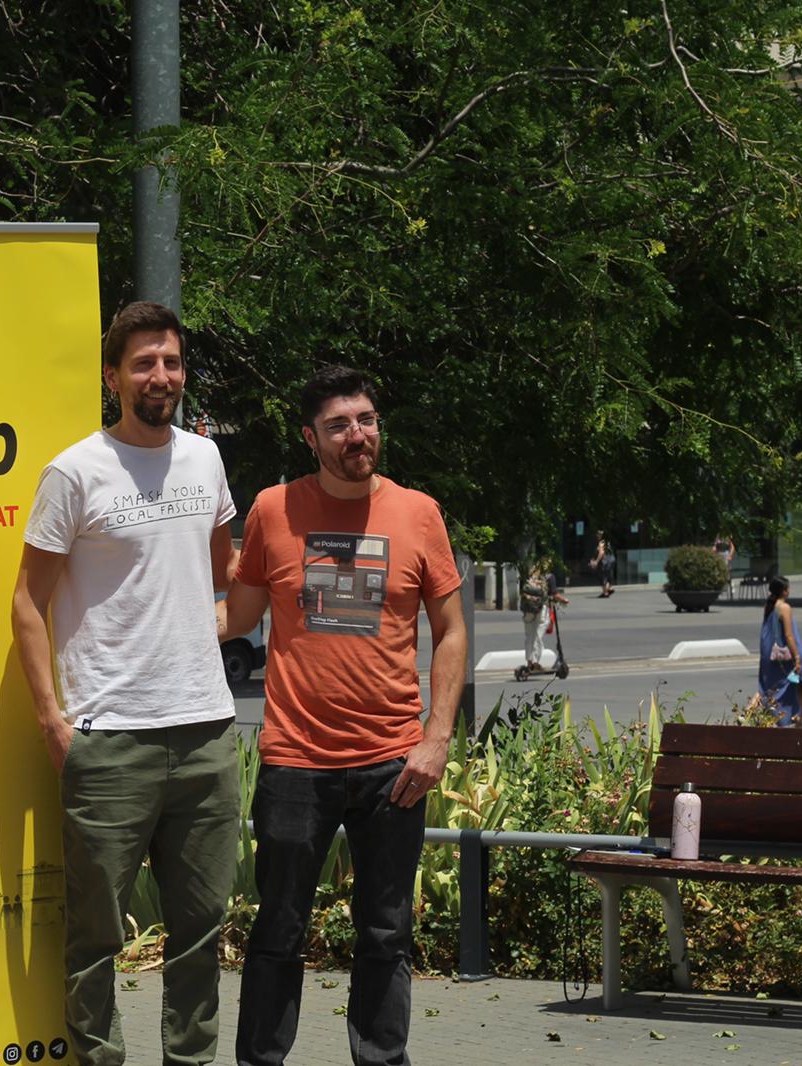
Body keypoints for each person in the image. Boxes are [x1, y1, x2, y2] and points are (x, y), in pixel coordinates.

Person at [11, 301, 239, 1066]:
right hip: (108, 739)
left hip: (207, 732)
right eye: (144, 363)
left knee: (202, 932)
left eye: (171, 362)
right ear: (113, 376)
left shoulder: (205, 459)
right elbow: (26, 603)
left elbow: (221, 572)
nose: (161, 376)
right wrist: (53, 720)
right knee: (95, 937)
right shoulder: (75, 472)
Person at [220, 365, 467, 1066]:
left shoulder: (418, 512)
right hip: (296, 761)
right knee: (278, 929)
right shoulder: (272, 510)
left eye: (365, 420)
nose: (357, 435)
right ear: (311, 438)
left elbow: (451, 631)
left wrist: (436, 738)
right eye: (339, 425)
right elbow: (237, 617)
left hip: (394, 763)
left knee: (386, 934)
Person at [759, 576, 802, 727]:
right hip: (786, 657)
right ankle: (798, 719)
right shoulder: (784, 608)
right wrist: (797, 657)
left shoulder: (769, 606)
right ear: (783, 591)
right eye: (787, 588)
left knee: (768, 688)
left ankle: (747, 712)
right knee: (797, 685)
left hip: (771, 655)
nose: (789, 591)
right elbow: (789, 635)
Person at [520, 557, 569, 673]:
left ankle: (529, 662)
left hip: (528, 609)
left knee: (529, 636)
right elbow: (554, 594)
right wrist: (564, 600)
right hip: (541, 609)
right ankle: (535, 662)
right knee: (538, 635)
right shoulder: (549, 577)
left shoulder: (529, 576)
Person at [591, 532, 616, 598]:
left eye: (599, 534)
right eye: (597, 534)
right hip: (611, 561)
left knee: (602, 576)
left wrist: (596, 561)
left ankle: (605, 592)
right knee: (608, 576)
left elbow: (601, 553)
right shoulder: (608, 542)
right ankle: (608, 589)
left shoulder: (601, 542)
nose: (597, 535)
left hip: (605, 562)